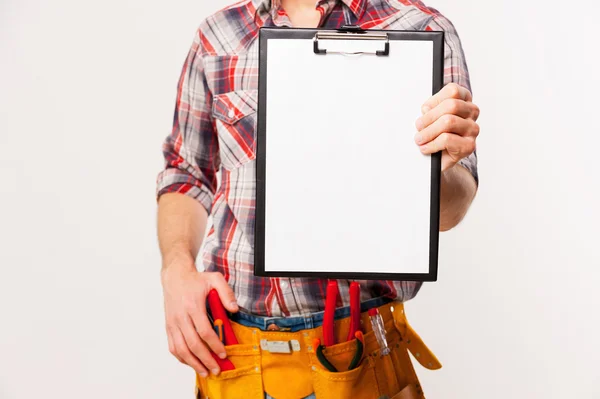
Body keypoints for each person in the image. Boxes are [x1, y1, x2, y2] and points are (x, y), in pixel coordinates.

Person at [156, 0, 480, 397]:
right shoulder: (219, 33)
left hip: (360, 357)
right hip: (235, 358)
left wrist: (437, 170)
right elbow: (186, 172)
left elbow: (453, 206)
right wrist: (176, 270)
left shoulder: (423, 29)